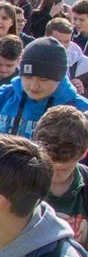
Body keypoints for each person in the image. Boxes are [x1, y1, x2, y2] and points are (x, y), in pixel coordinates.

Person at [0, 37, 88, 141]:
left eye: (43, 79)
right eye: (28, 77)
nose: (33, 86)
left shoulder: (81, 110)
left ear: (60, 78)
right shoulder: (2, 96)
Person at [33, 105, 88, 246]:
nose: (54, 174)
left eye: (64, 169)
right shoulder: (15, 179)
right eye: (49, 165)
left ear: (84, 153)